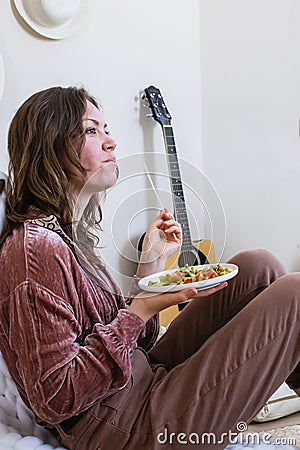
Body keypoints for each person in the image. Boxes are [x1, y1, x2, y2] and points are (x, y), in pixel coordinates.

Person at [0, 86, 299, 450]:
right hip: (120, 426)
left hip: (136, 383)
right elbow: (56, 398)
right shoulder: (35, 251)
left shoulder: (65, 238)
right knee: (296, 292)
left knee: (258, 265)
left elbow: (133, 342)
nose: (111, 141)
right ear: (51, 144)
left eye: (106, 128)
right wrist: (141, 309)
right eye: (91, 130)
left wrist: (151, 266)